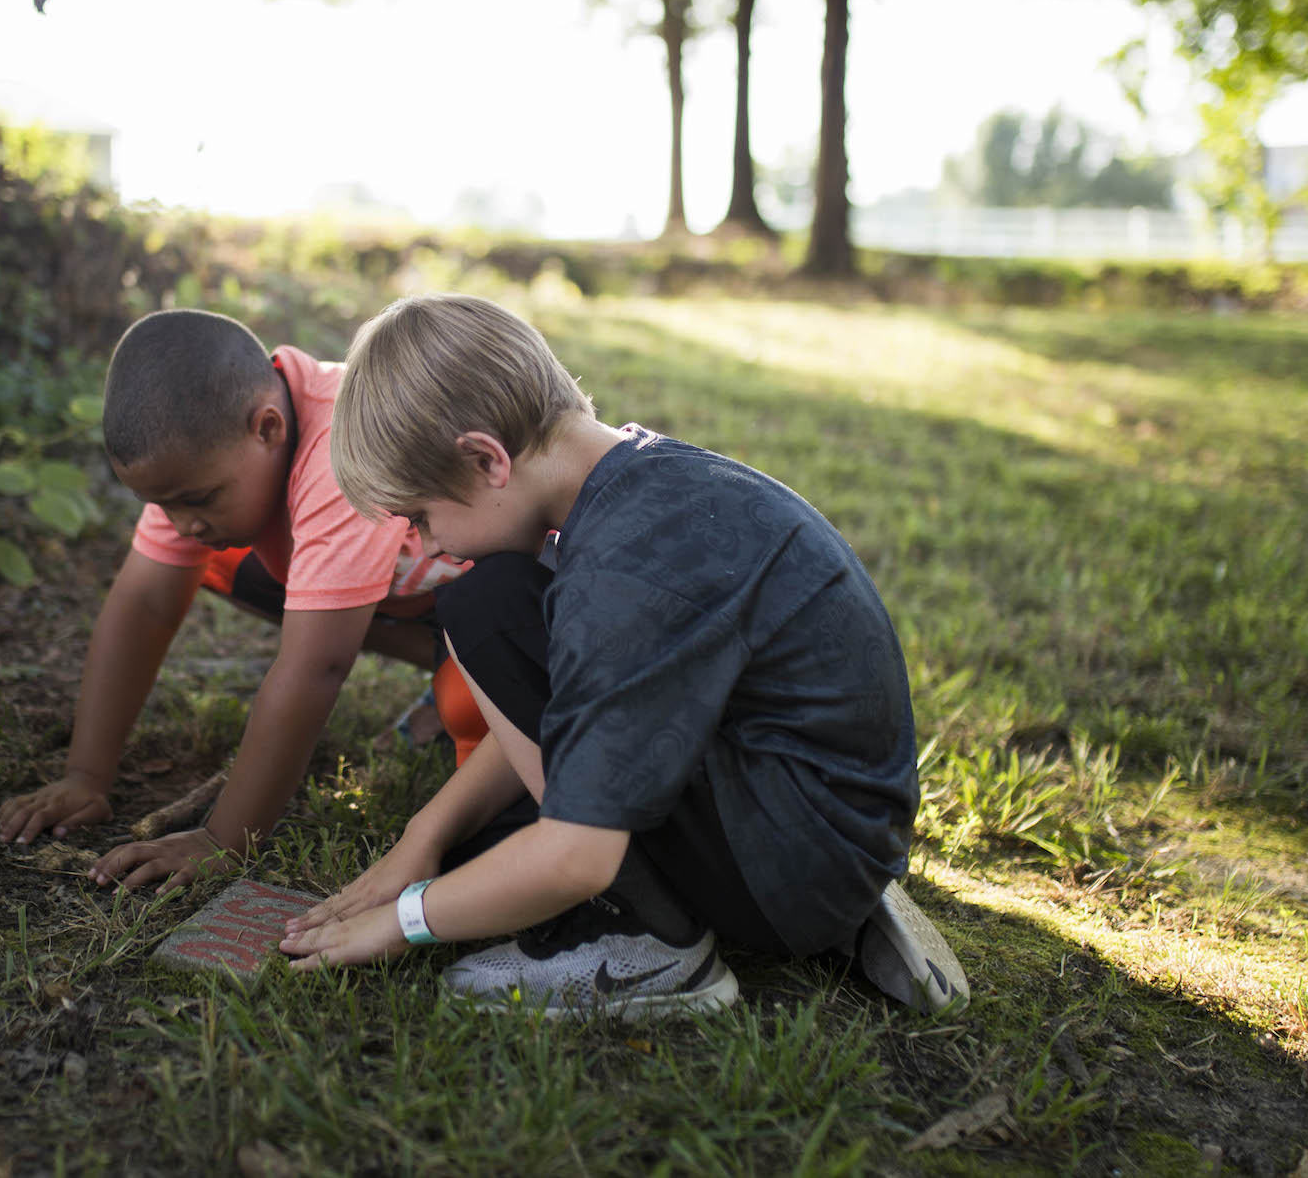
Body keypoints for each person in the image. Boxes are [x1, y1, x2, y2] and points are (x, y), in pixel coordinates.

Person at [279, 294, 968, 1017]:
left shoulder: (624, 570)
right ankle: (843, 892)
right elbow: (574, 712)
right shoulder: (640, 479)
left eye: (419, 517)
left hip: (794, 859)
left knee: (481, 616)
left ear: (486, 459)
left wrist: (406, 918)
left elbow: (577, 855)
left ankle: (652, 942)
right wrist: (426, 834)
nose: (423, 546)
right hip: (831, 809)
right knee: (481, 802)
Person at [0, 308, 476, 892]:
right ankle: (448, 669)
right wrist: (85, 775)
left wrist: (224, 838)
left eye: (196, 499)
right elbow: (143, 606)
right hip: (414, 592)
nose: (182, 523)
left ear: (268, 428)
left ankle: (456, 676)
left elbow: (317, 666)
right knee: (214, 560)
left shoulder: (343, 448)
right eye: (164, 505)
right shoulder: (207, 454)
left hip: (503, 600)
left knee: (471, 710)